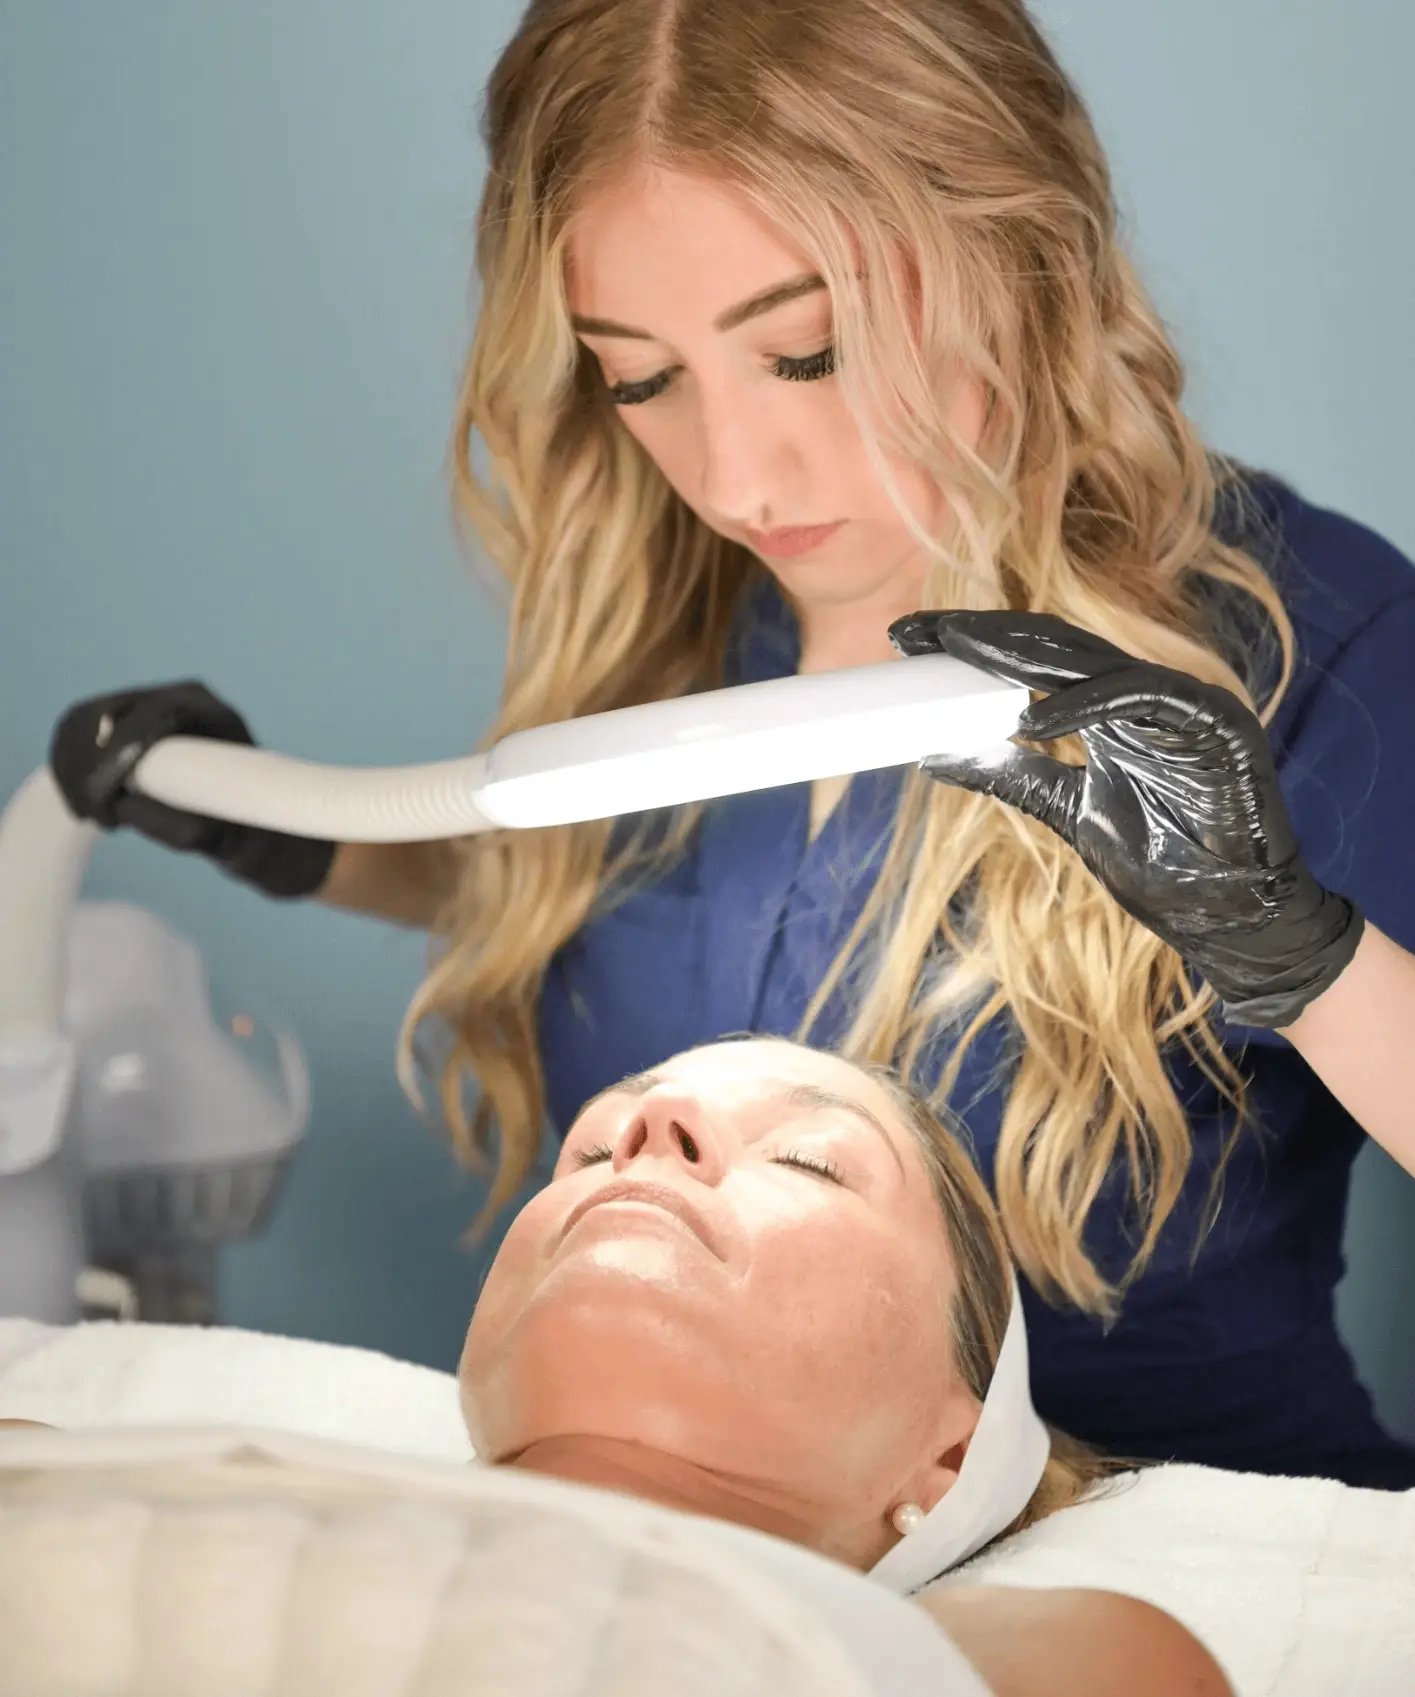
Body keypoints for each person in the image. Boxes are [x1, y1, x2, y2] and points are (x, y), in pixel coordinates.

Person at [48, 0, 1415, 1487]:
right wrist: (307, 841)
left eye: (808, 353)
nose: (732, 474)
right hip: (691, 1525)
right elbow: (627, 908)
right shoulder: (668, 630)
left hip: (1171, 1531)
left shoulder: (1302, 643)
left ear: (1019, 260)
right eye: (640, 376)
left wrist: (1299, 958)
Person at [0, 1036, 1232, 1696]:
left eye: (809, 1160)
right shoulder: (87, 1477)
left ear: (951, 1452)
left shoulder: (1044, 1657)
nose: (647, 1133)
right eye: (588, 1150)